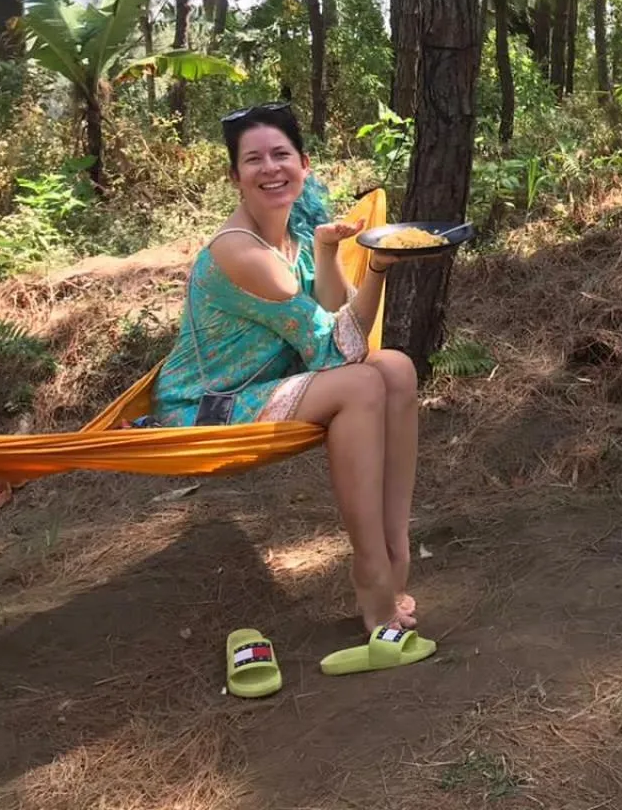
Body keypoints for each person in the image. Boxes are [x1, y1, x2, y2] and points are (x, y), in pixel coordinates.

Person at [152, 102, 421, 634]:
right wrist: (378, 267)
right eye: (253, 160)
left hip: (262, 386)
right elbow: (341, 351)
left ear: (304, 164)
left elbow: (339, 319)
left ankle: (397, 551)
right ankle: (372, 575)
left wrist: (325, 251)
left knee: (397, 367)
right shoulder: (243, 253)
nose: (270, 168)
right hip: (204, 407)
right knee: (362, 383)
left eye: (281, 154)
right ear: (234, 177)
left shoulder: (293, 236)